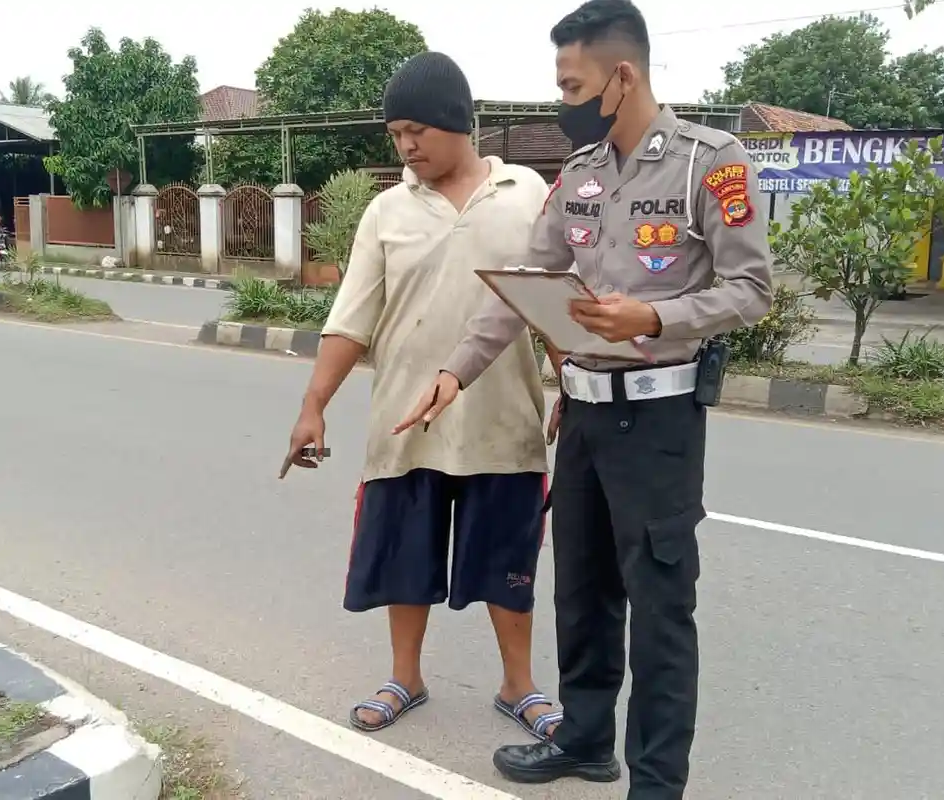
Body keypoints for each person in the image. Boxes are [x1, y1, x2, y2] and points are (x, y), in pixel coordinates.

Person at [394, 2, 773, 797]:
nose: (563, 99)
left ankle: (657, 782)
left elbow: (751, 289)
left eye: (572, 85)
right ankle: (587, 739)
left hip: (659, 420)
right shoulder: (580, 174)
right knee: (583, 590)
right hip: (584, 413)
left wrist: (657, 317)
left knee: (660, 608)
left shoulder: (711, 163)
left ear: (621, 75)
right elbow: (523, 290)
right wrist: (454, 373)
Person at [280, 52, 565, 741]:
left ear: (457, 122)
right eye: (395, 134)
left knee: (508, 564)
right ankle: (404, 677)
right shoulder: (387, 211)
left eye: (417, 130)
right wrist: (313, 406)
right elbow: (351, 321)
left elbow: (551, 299)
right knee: (405, 560)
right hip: (406, 425)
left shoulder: (526, 192)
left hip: (504, 423)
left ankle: (519, 686)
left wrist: (573, 387)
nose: (405, 146)